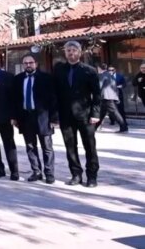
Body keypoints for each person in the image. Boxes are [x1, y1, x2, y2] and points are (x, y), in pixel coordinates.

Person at [53, 41, 101, 188]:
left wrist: (95, 114)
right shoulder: (59, 69)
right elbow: (55, 94)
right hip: (66, 116)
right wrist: (55, 116)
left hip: (85, 115)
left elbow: (97, 95)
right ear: (65, 53)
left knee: (90, 146)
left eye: (74, 50)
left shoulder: (89, 70)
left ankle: (92, 176)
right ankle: (76, 174)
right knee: (70, 147)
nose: (71, 53)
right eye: (68, 50)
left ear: (80, 52)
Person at [11, 54, 57, 184]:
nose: (28, 65)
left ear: (35, 63)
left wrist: (54, 118)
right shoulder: (18, 79)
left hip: (43, 117)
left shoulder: (46, 78)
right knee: (30, 146)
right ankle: (36, 171)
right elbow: (15, 100)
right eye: (25, 63)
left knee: (47, 147)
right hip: (26, 117)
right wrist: (15, 117)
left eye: (30, 63)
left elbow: (53, 99)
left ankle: (49, 173)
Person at [95, 63, 127, 132]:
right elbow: (114, 86)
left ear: (99, 68)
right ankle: (94, 127)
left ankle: (124, 126)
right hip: (109, 96)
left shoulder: (102, 75)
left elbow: (99, 86)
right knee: (101, 113)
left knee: (115, 113)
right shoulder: (110, 75)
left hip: (106, 97)